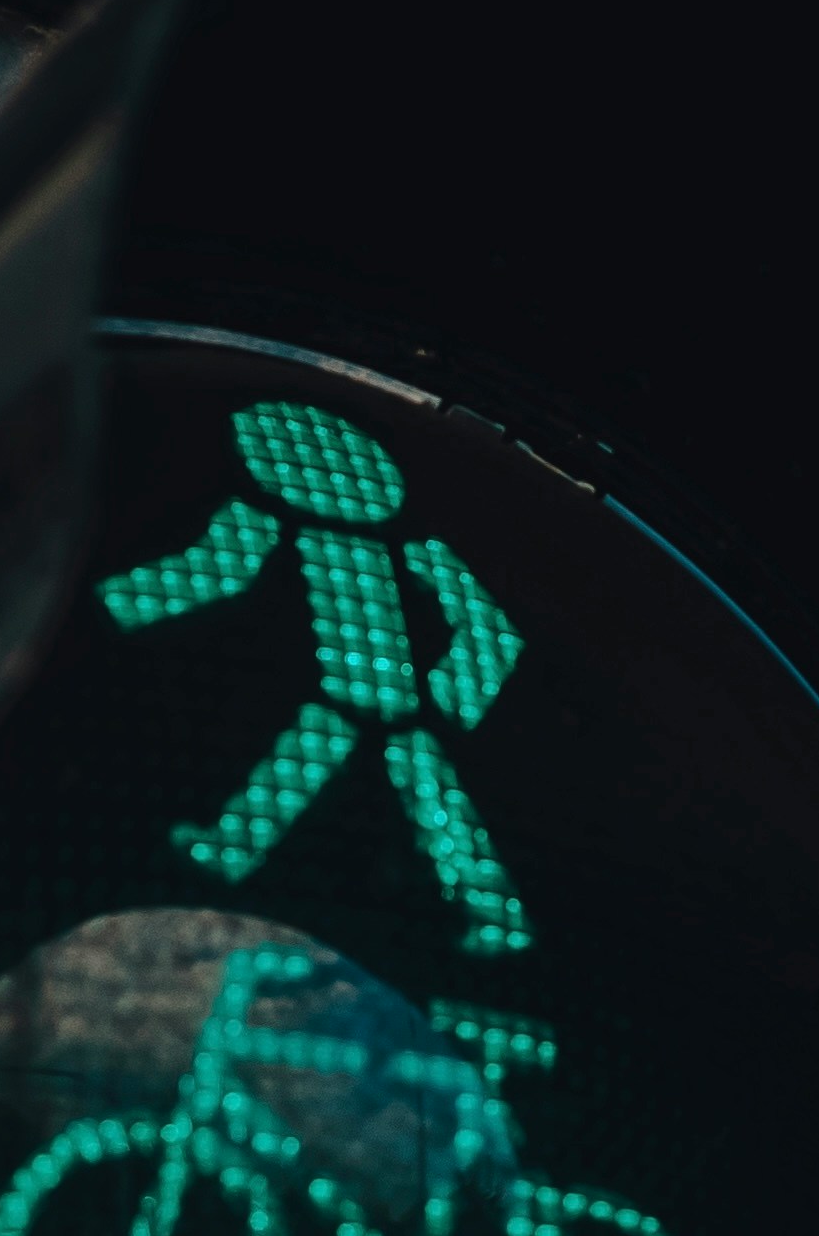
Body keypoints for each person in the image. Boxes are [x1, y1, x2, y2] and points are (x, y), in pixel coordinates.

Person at [100, 396, 535, 949]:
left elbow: (219, 571)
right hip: (370, 694)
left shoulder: (407, 544)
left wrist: (117, 603)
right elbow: (219, 568)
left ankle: (490, 913)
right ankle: (490, 914)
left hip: (384, 696)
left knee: (416, 791)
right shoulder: (398, 541)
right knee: (398, 785)